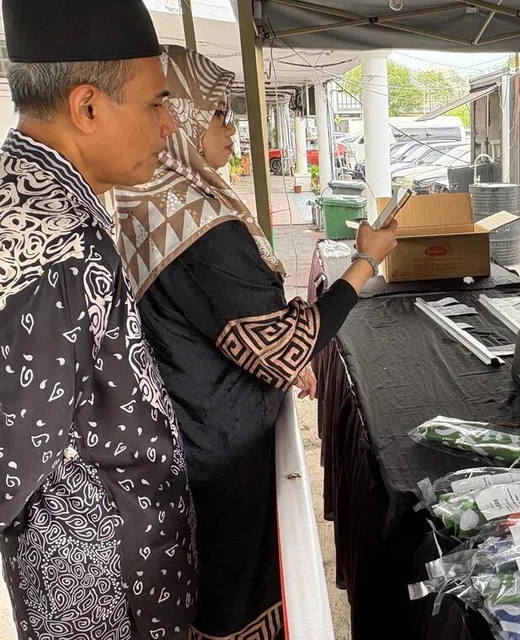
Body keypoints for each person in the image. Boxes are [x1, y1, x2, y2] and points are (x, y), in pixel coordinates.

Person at [113, 46, 398, 640]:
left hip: (193, 428)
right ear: (185, 121)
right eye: (218, 114)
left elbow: (240, 331)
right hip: (218, 446)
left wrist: (279, 354)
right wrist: (366, 261)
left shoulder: (152, 203)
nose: (231, 130)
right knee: (236, 596)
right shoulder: (195, 226)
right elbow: (285, 343)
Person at [0, 2, 197, 639]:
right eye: (155, 102)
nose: (169, 124)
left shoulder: (40, 201)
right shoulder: (51, 246)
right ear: (87, 107)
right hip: (102, 602)